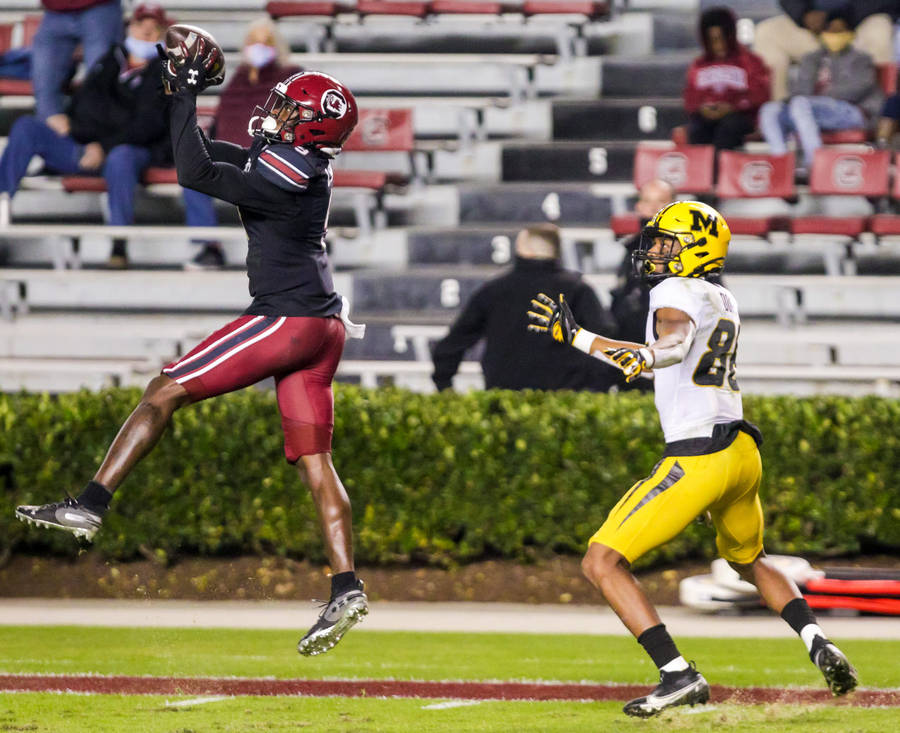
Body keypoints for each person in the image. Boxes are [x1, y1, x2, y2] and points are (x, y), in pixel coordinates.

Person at [15, 40, 369, 657]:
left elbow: (194, 174)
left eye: (289, 110)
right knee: (317, 462)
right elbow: (206, 154)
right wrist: (183, 98)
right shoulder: (303, 162)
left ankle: (90, 505)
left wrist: (184, 93)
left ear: (308, 126)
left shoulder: (290, 171)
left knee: (165, 389)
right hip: (322, 325)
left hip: (287, 318)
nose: (276, 113)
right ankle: (346, 586)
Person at [527, 200, 858, 717]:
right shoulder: (722, 296)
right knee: (750, 559)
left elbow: (673, 344)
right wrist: (649, 352)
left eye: (667, 243)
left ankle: (677, 674)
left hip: (700, 453)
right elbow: (673, 351)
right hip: (742, 452)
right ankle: (816, 638)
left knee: (601, 561)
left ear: (696, 248)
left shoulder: (674, 291)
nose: (655, 252)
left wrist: (580, 337)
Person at [0, 3, 217, 267]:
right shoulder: (110, 60)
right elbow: (85, 103)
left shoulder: (169, 72)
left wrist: (102, 144)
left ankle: (118, 243)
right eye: (141, 25)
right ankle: (2, 205)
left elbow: (146, 125)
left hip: (131, 151)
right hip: (86, 148)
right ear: (130, 26)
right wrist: (69, 123)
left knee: (120, 157)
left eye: (154, 28)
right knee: (27, 127)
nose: (146, 32)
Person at [431, 224, 619, 392]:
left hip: (504, 404)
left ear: (522, 249)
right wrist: (594, 391)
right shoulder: (578, 290)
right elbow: (605, 344)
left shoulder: (494, 290)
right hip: (564, 407)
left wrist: (445, 387)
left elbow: (451, 345)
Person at [186, 17, 301, 270]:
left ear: (277, 45)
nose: (258, 46)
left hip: (270, 155)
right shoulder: (238, 79)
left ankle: (278, 250)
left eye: (266, 41)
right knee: (192, 170)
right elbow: (220, 122)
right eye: (253, 41)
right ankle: (209, 247)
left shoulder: (292, 77)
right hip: (234, 156)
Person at [758, 9, 883, 173]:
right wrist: (788, 101)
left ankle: (815, 166)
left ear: (850, 33)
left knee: (801, 103)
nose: (834, 35)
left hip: (851, 111)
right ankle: (781, 165)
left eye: (840, 31)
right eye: (831, 30)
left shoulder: (861, 59)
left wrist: (817, 99)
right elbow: (802, 90)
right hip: (811, 111)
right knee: (770, 109)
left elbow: (857, 90)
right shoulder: (811, 59)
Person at [753, 0, 895, 102]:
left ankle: (881, 118)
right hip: (814, 28)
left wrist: (843, 17)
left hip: (860, 24)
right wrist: (803, 14)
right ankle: (780, 114)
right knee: (766, 33)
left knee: (879, 32)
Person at [684, 7, 770, 151]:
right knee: (697, 130)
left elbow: (760, 95)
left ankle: (718, 172)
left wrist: (733, 106)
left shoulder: (750, 62)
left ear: (730, 36)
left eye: (722, 38)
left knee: (727, 129)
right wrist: (703, 108)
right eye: (712, 40)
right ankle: (701, 172)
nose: (719, 45)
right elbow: (691, 98)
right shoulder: (698, 65)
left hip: (741, 117)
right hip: (708, 117)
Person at [33, 0, 123, 123]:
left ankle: (95, 136)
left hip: (99, 7)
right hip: (54, 10)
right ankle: (50, 135)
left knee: (101, 79)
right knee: (44, 82)